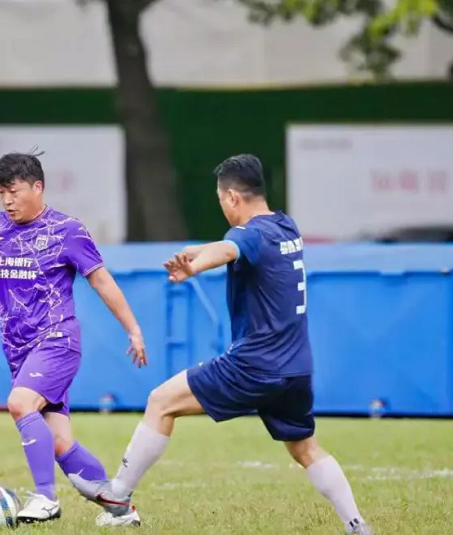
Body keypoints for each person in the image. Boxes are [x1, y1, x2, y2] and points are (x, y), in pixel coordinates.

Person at [68, 154, 373, 534]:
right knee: (305, 448)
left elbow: (230, 248)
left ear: (232, 197)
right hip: (296, 367)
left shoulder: (245, 236)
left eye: (220, 200)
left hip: (255, 365)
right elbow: (235, 245)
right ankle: (357, 524)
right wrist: (199, 250)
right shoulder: (285, 227)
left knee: (161, 402)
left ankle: (118, 498)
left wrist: (194, 266)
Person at [0, 151, 147, 524]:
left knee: (20, 403)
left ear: (38, 187)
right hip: (19, 351)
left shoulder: (67, 230)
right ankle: (119, 508)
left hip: (57, 341)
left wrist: (133, 329)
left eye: (14, 191)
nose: (7, 200)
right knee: (59, 442)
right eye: (1, 192)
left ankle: (45, 498)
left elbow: (102, 281)